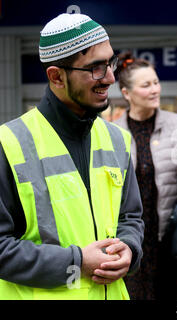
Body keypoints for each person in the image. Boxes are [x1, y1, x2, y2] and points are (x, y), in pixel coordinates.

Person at [0, 13, 144, 300]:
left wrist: (129, 246)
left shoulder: (117, 139)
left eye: (110, 63)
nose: (111, 78)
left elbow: (130, 216)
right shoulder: (8, 143)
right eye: (96, 68)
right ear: (56, 76)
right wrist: (75, 263)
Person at [114, 52, 177, 300]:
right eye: (146, 85)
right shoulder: (111, 132)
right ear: (127, 93)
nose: (155, 90)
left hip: (167, 237)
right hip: (129, 238)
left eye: (156, 82)